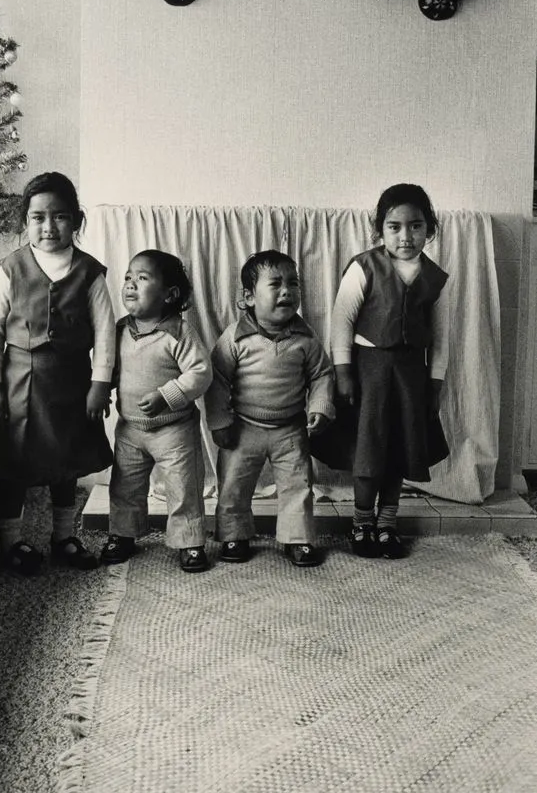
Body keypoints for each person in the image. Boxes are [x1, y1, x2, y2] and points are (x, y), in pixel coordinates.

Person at [0, 172, 115, 574]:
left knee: (65, 464)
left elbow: (105, 336)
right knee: (13, 464)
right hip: (20, 384)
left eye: (59, 217)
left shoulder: (90, 274)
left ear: (75, 220)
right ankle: (11, 543)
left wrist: (99, 386)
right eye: (38, 217)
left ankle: (63, 537)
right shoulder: (11, 269)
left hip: (71, 383)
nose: (48, 226)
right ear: (25, 222)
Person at [330, 184, 450, 560]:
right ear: (379, 229)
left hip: (412, 377)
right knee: (369, 452)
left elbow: (441, 338)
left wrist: (435, 384)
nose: (405, 236)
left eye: (415, 226)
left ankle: (386, 524)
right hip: (370, 374)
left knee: (398, 451)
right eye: (394, 226)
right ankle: (361, 524)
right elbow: (341, 323)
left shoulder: (434, 278)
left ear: (429, 229)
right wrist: (344, 372)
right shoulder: (364, 267)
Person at [205, 250, 335, 567]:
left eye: (293, 283)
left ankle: (298, 538)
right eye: (275, 284)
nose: (287, 291)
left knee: (297, 485)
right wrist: (220, 422)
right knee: (234, 484)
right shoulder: (235, 338)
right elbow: (216, 380)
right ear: (249, 297)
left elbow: (322, 374)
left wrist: (320, 406)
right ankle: (233, 535)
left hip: (290, 429)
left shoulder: (305, 339)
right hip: (243, 428)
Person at [101, 250, 212, 573]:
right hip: (131, 428)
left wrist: (168, 395)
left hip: (173, 429)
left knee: (183, 486)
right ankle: (123, 534)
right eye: (128, 277)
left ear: (169, 295)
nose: (131, 284)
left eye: (143, 278)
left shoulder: (177, 332)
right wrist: (102, 389)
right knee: (125, 485)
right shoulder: (120, 329)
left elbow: (200, 372)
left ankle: (189, 540)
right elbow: (109, 366)